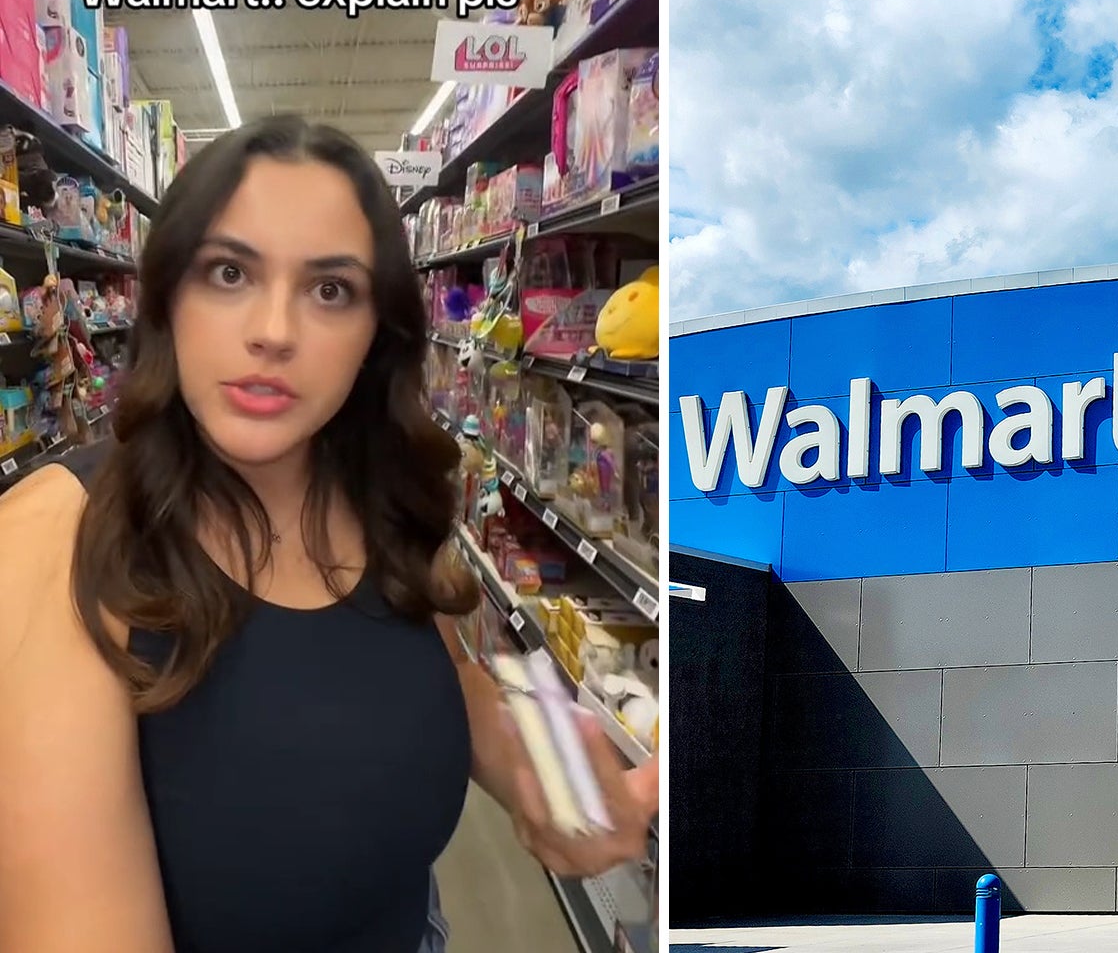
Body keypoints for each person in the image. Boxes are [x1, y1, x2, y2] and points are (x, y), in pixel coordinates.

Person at [0, 115, 658, 953]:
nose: (274, 330)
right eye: (230, 272)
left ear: (374, 336)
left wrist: (565, 777)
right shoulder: (57, 540)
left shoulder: (371, 489)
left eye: (330, 289)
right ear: (166, 298)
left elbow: (450, 675)